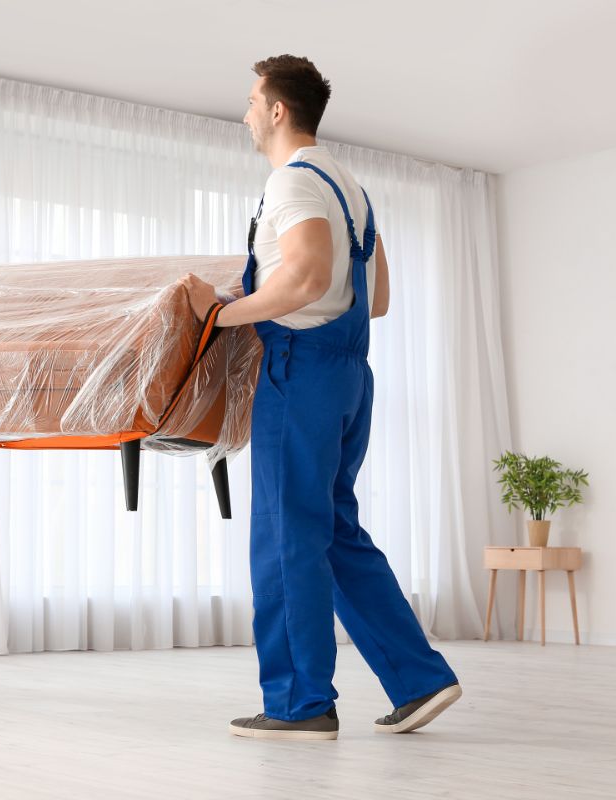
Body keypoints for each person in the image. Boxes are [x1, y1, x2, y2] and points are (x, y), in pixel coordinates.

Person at [183, 55, 461, 740]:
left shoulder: (292, 184)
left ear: (279, 111)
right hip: (348, 376)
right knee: (331, 532)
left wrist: (219, 315)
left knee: (285, 537)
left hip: (300, 372)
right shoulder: (353, 190)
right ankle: (420, 679)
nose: (247, 112)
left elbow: (304, 280)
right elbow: (381, 299)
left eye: (253, 101)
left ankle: (300, 703)